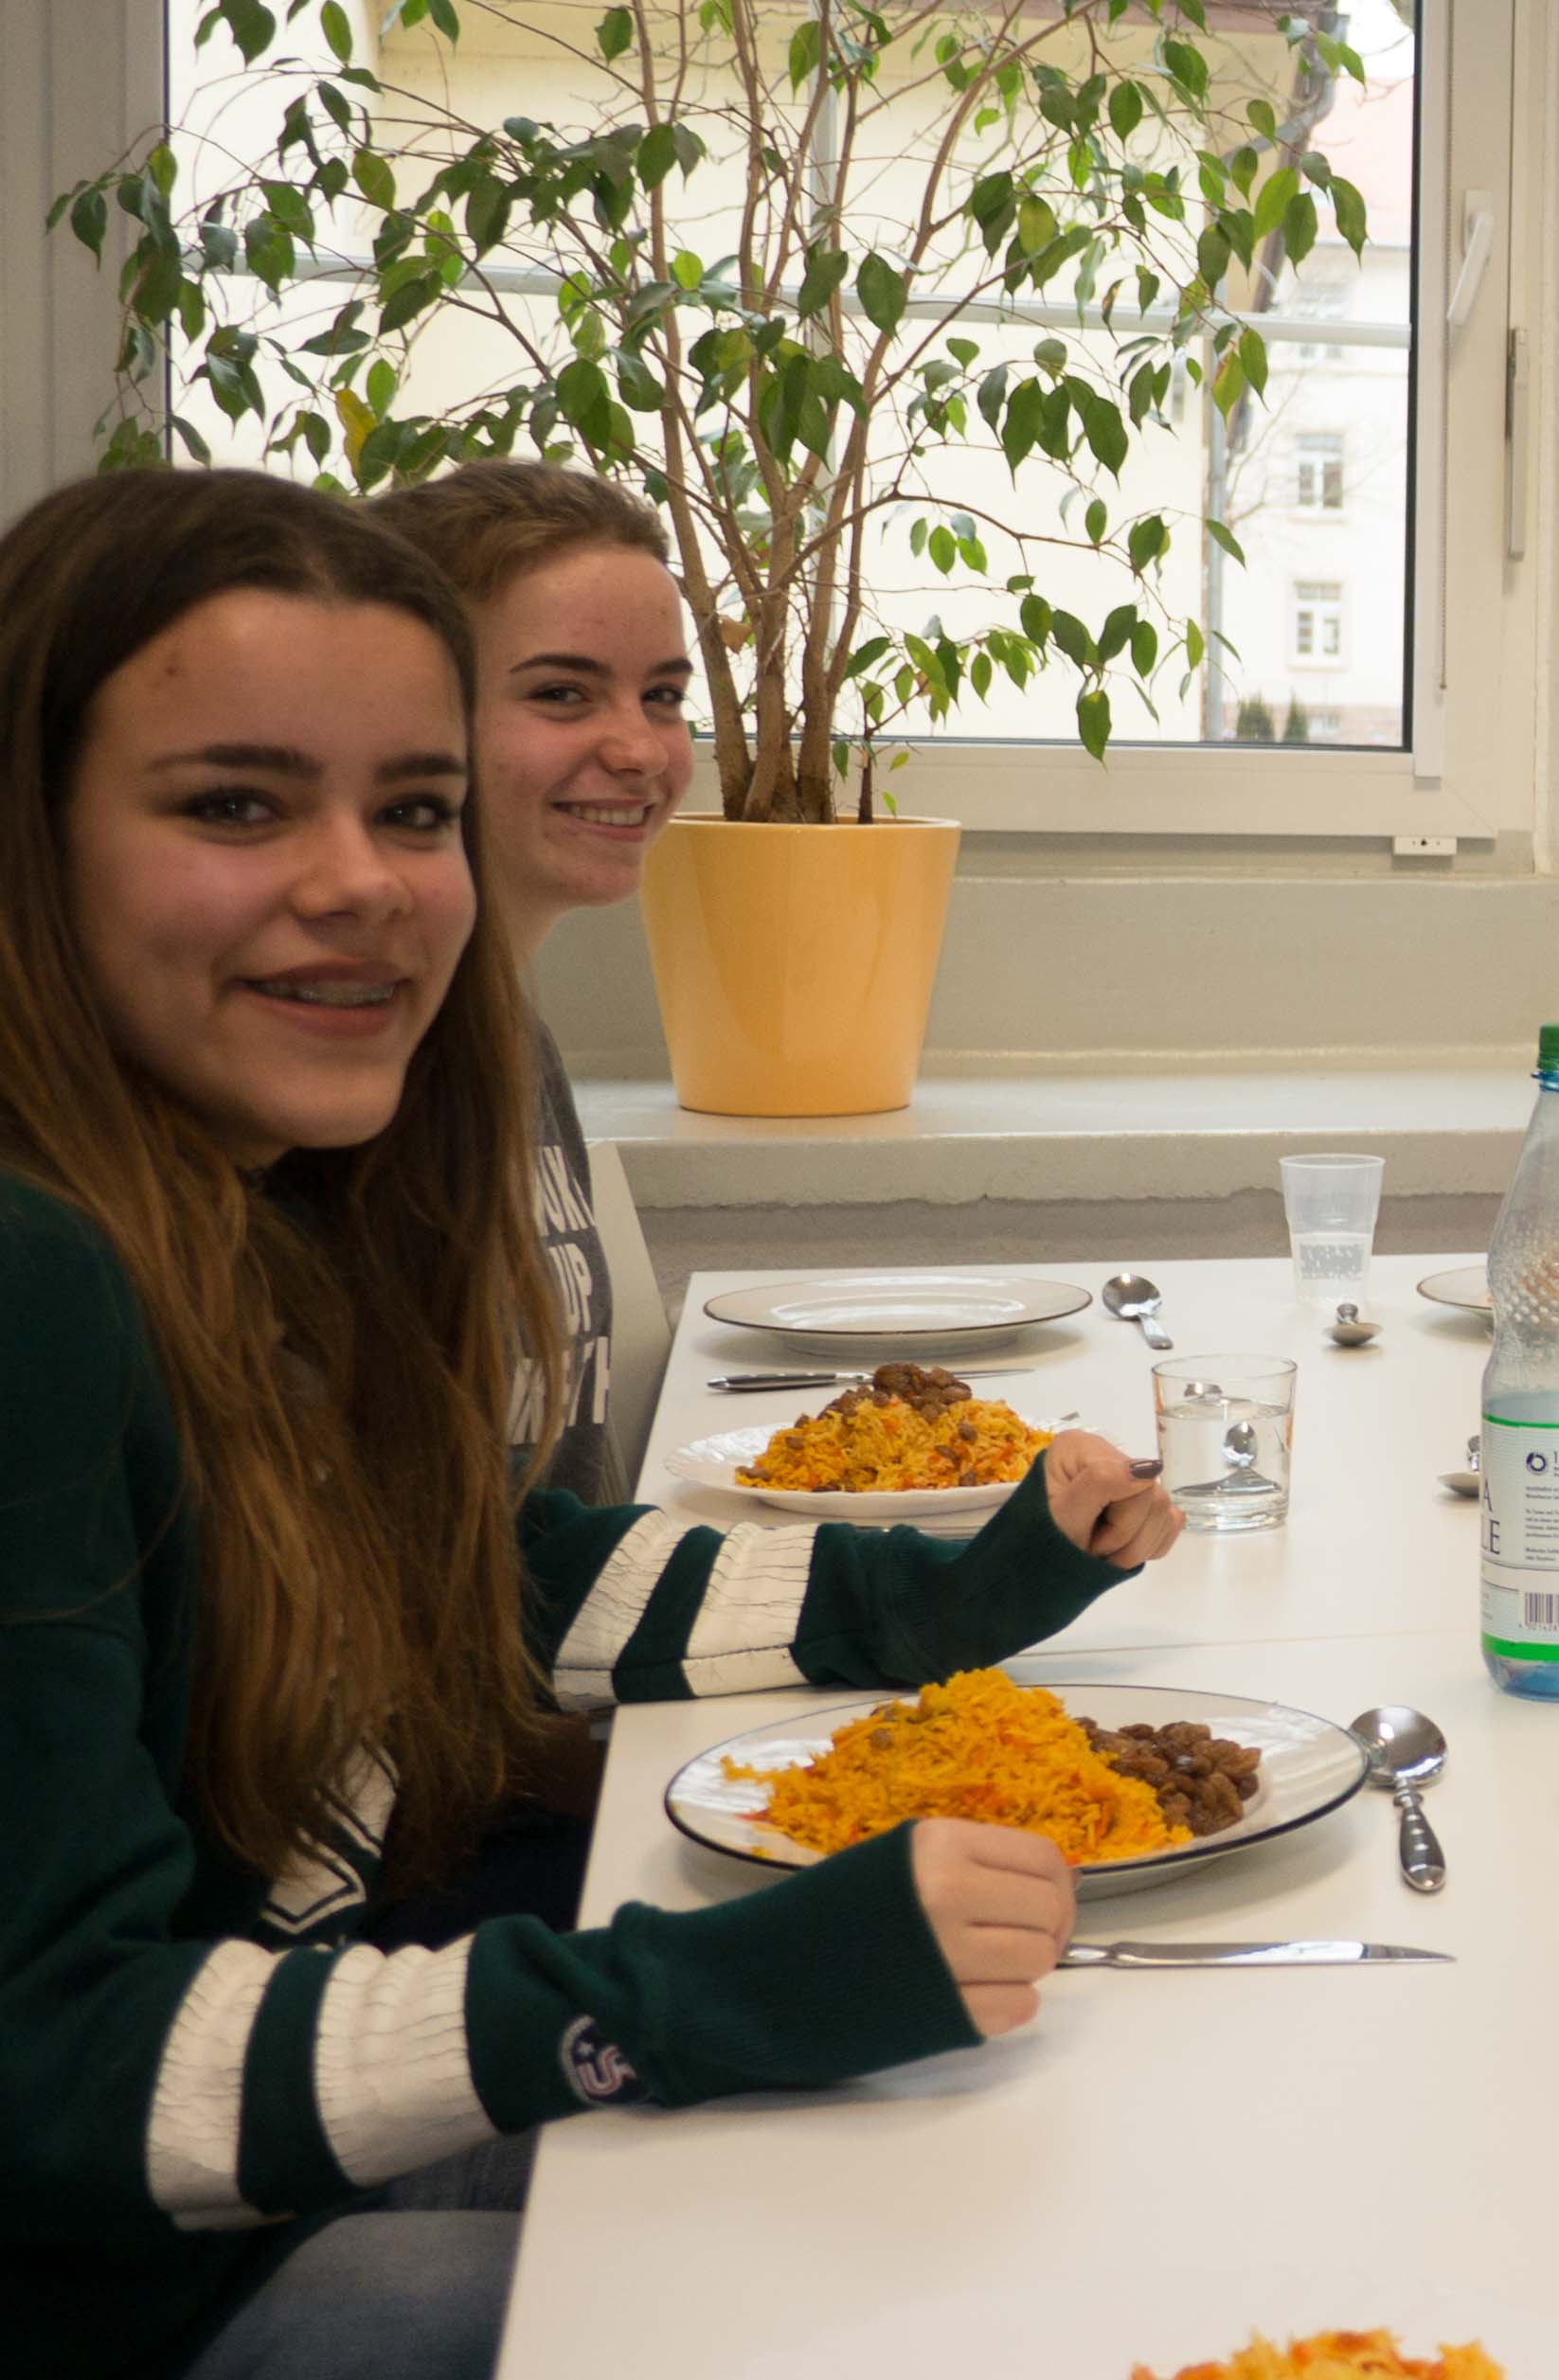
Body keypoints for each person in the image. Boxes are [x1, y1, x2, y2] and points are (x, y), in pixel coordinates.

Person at [0, 468, 1183, 2380]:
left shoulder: (246, 1206)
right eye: (235, 801)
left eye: (413, 809)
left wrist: (946, 1594)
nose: (363, 878)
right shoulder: (35, 1277)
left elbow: (474, 1574)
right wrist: (685, 1996)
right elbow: (51, 2063)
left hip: (244, 2203)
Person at [371, 460, 691, 1509]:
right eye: (562, 693)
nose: (641, 749)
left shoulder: (509, 1029)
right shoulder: (354, 1076)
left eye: (663, 696)